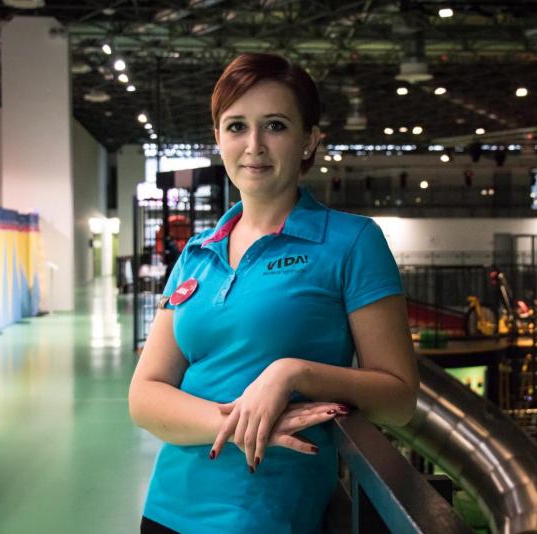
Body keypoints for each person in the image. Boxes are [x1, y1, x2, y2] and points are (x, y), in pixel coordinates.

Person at [128, 53, 419, 534]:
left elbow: (399, 399)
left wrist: (292, 372)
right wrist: (242, 422)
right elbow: (144, 395)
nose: (254, 146)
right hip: (166, 511)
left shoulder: (351, 242)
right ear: (218, 138)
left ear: (309, 140)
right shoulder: (198, 253)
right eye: (236, 126)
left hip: (268, 517)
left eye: (276, 126)